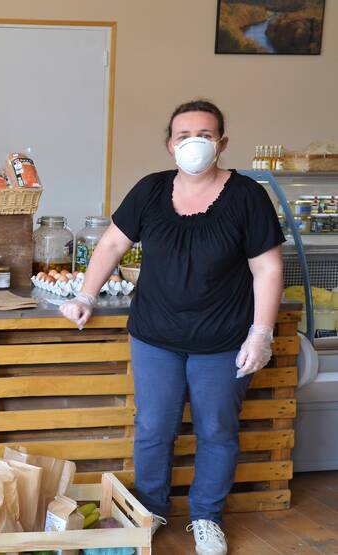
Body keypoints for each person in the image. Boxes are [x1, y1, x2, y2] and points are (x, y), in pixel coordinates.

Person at [60, 100, 284, 555]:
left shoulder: (247, 196)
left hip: (222, 340)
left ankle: (206, 517)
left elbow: (267, 268)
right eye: (184, 135)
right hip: (155, 337)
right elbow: (112, 244)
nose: (194, 142)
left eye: (205, 134)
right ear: (170, 145)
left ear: (222, 142)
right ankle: (151, 510)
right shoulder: (150, 189)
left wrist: (260, 333)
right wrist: (85, 294)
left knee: (216, 430)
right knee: (153, 428)